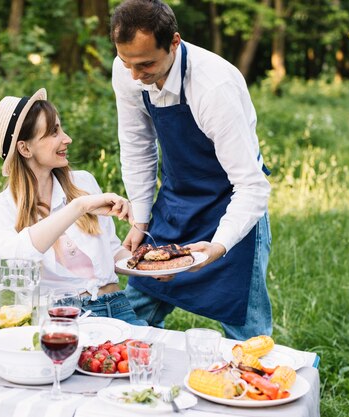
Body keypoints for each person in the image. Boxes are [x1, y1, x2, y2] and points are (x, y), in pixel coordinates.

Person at [110, 0, 272, 340]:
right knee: (132, 318)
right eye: (127, 64)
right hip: (176, 201)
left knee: (247, 331)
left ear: (174, 43)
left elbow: (252, 186)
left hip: (232, 203)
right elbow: (137, 145)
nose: (136, 76)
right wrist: (140, 219)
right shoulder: (128, 72)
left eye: (146, 65)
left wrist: (219, 245)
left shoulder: (214, 86)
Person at [0, 88, 147, 325]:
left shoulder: (83, 182)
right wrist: (78, 207)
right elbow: (17, 255)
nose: (67, 138)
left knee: (150, 359)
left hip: (117, 305)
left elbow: (112, 252)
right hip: (64, 318)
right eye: (54, 132)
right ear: (25, 149)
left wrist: (150, 265)